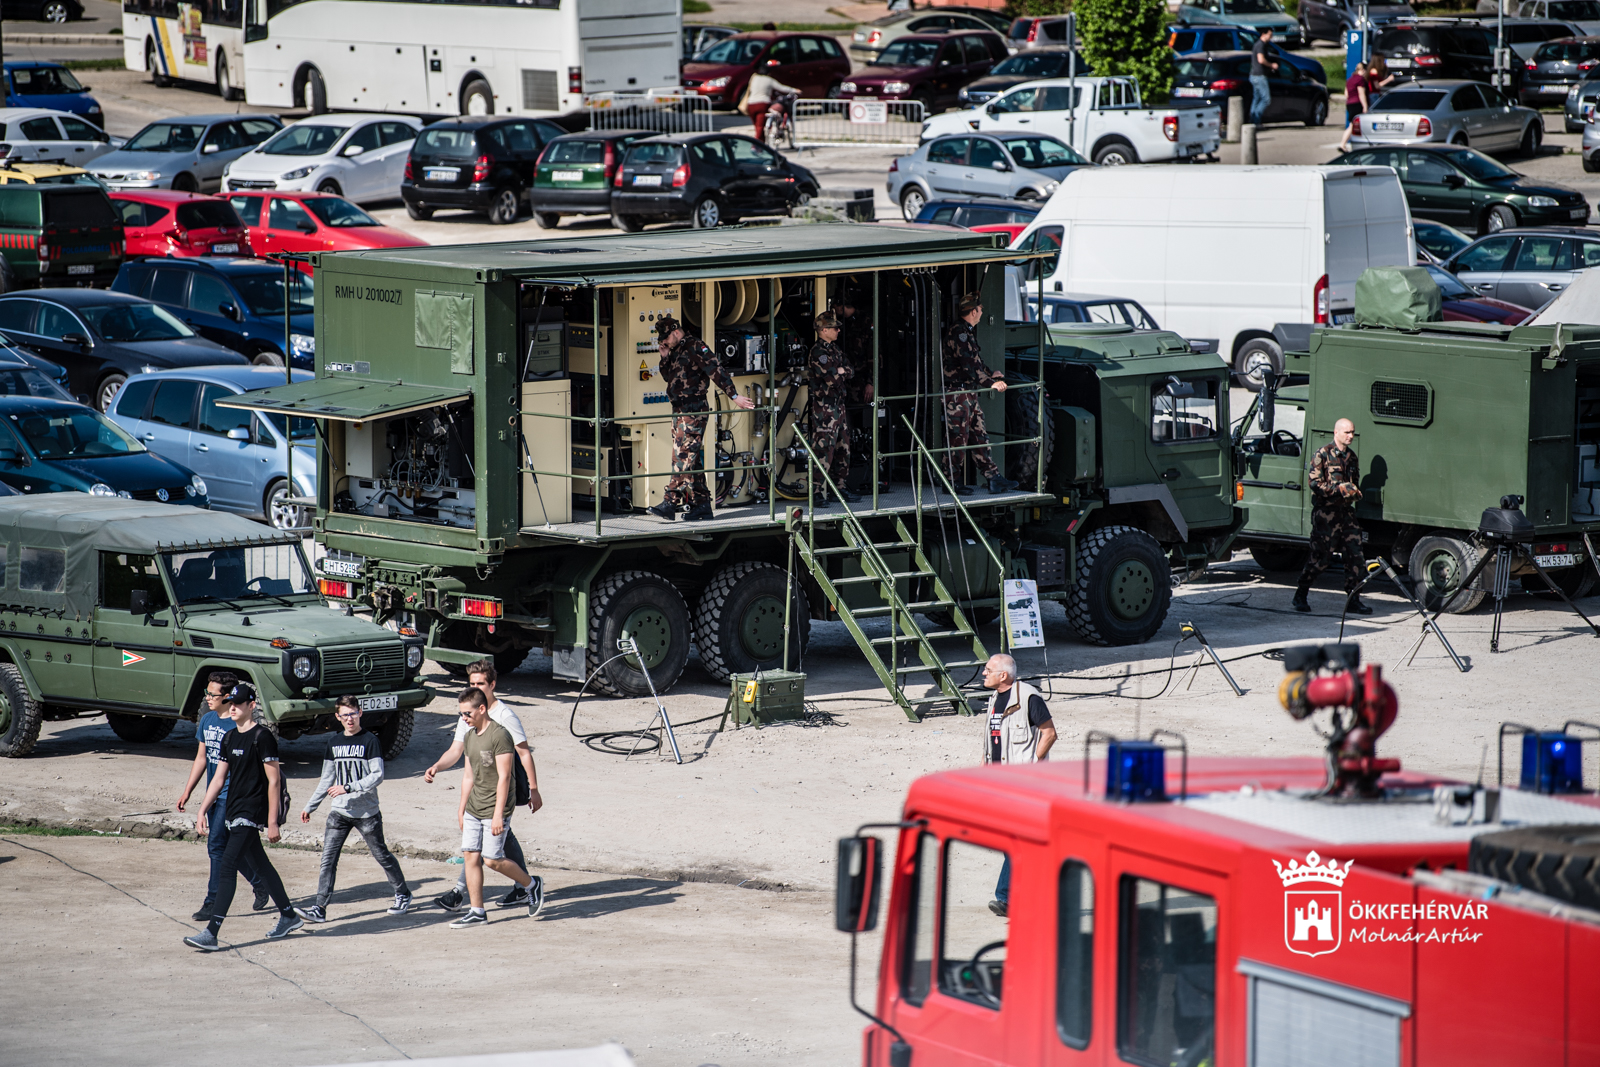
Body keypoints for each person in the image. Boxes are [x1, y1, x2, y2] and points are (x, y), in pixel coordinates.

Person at [182, 682, 302, 950]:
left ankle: (211, 933)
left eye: (238, 703)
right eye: (231, 703)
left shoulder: (263, 737)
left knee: (227, 865)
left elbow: (274, 782)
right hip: (233, 809)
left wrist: (272, 822)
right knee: (261, 866)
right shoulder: (230, 737)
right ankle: (289, 915)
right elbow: (219, 778)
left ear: (252, 706)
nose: (233, 707)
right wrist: (202, 809)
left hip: (252, 811)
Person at [426, 658, 543, 911]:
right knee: (484, 846)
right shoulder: (467, 715)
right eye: (472, 683)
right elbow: (457, 751)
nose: (476, 687)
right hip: (479, 794)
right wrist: (437, 766)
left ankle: (522, 885)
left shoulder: (504, 717)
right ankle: (518, 888)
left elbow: (524, 753)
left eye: (481, 683)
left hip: (501, 793)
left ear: (493, 684)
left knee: (492, 849)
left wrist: (533, 789)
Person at [293, 695, 411, 923]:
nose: (349, 718)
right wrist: (311, 805)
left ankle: (403, 893)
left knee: (382, 855)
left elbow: (377, 775)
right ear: (337, 717)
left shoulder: (370, 741)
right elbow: (327, 779)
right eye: (344, 715)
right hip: (339, 812)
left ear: (360, 713)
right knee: (328, 860)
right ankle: (319, 908)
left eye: (353, 713)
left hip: (367, 813)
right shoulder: (334, 742)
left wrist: (348, 787)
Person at [175, 670, 270, 922]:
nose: (207, 697)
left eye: (211, 694)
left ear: (228, 697)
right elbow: (201, 758)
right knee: (235, 849)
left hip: (233, 794)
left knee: (216, 846)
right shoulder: (207, 720)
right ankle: (260, 882)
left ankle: (212, 901)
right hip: (214, 792)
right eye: (206, 692)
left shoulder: (238, 725)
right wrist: (188, 791)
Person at [646, 315, 756, 523]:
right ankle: (703, 505)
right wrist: (664, 356)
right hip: (679, 410)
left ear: (676, 332)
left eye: (666, 337)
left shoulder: (696, 346)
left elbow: (716, 370)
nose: (664, 341)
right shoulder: (676, 349)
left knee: (682, 456)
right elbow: (668, 377)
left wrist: (734, 395)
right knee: (691, 459)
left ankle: (670, 502)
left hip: (693, 409)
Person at [451, 687, 542, 928]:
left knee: (492, 859)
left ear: (482, 709)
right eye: (461, 714)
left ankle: (531, 885)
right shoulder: (470, 736)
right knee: (470, 856)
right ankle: (477, 911)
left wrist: (498, 815)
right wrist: (461, 808)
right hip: (474, 807)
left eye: (467, 714)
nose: (464, 718)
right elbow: (468, 776)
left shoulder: (500, 736)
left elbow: (505, 778)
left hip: (495, 807)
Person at [979, 653, 1055, 918]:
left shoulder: (1029, 698)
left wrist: (1033, 766)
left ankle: (1006, 896)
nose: (983, 673)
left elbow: (1050, 733)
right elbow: (992, 743)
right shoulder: (994, 701)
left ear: (1004, 675)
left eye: (988, 670)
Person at [941, 293, 1018, 496]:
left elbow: (975, 362)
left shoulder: (966, 332)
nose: (982, 312)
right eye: (981, 309)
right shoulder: (960, 333)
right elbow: (969, 368)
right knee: (958, 438)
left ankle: (993, 478)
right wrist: (991, 383)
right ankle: (950, 481)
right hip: (957, 395)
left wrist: (990, 373)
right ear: (974, 311)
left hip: (968, 393)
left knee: (979, 436)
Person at [1295, 417, 1372, 615]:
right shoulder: (1322, 454)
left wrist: (1354, 492)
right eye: (1347, 432)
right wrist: (1339, 489)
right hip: (1326, 515)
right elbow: (1314, 484)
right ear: (1336, 433)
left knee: (1356, 558)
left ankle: (1353, 599)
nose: (1351, 436)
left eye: (1352, 432)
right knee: (1321, 558)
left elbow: (1353, 483)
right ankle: (1301, 594)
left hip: (1346, 515)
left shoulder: (1351, 457)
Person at [808, 311, 856, 503]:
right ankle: (817, 492)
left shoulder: (835, 350)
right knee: (823, 449)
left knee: (843, 447)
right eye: (834, 328)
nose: (838, 331)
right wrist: (840, 371)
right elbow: (831, 380)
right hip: (824, 408)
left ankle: (839, 487)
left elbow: (850, 370)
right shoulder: (819, 352)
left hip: (839, 407)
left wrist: (841, 371)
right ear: (824, 330)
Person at [746, 63, 801, 142]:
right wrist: (795, 90)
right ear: (768, 73)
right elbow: (782, 88)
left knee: (756, 126)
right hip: (762, 104)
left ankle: (762, 143)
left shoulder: (754, 78)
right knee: (760, 126)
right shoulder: (769, 80)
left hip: (750, 104)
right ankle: (757, 145)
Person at [1249, 26, 1278, 127]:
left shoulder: (1258, 44)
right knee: (1266, 99)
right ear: (1263, 34)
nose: (1271, 37)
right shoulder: (1261, 45)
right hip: (1259, 75)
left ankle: (1252, 122)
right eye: (1270, 35)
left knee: (1256, 98)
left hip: (1254, 75)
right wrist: (1272, 65)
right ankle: (1256, 121)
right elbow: (1261, 60)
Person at [1339, 62, 1370, 153]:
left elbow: (1346, 94)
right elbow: (1361, 94)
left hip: (1350, 104)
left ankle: (1343, 144)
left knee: (1352, 125)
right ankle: (1343, 144)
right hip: (1357, 103)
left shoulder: (1350, 79)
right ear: (1363, 70)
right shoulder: (1360, 79)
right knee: (1355, 125)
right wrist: (1365, 106)